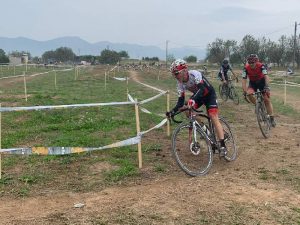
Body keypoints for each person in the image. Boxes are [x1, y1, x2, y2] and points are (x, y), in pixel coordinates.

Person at [166, 59, 228, 156]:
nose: (175, 76)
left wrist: (193, 100)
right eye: (174, 74)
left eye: (176, 73)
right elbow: (180, 102)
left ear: (184, 70)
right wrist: (172, 112)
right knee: (187, 110)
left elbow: (202, 89)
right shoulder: (179, 84)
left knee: (213, 116)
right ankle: (203, 127)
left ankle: (223, 146)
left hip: (209, 95)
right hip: (198, 97)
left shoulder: (194, 74)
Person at [242, 54, 276, 127]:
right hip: (253, 83)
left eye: (253, 62)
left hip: (262, 82)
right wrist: (244, 91)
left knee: (266, 100)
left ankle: (272, 117)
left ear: (256, 61)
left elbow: (266, 76)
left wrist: (267, 86)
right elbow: (244, 80)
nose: (251, 64)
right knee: (249, 94)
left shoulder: (261, 66)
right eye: (249, 62)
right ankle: (257, 105)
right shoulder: (246, 68)